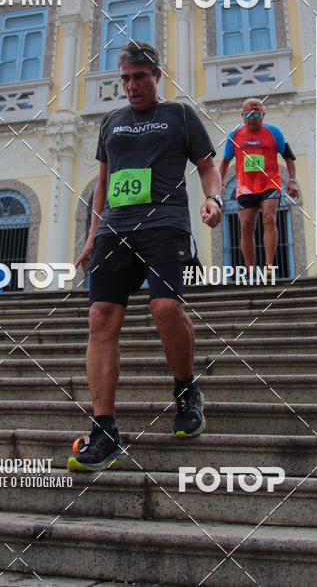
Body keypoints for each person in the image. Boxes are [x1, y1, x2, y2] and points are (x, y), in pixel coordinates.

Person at [70, 41, 222, 472]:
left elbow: (208, 166)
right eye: (125, 78)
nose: (131, 85)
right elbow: (103, 181)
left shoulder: (179, 115)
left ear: (157, 76)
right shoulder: (112, 122)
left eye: (139, 76)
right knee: (100, 317)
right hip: (114, 231)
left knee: (165, 307)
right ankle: (104, 430)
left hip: (165, 226)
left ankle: (185, 388)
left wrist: (213, 199)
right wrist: (91, 234)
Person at [219, 98, 299, 274]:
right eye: (247, 114)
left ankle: (269, 266)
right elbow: (224, 163)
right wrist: (221, 184)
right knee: (246, 225)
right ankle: (251, 269)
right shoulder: (235, 135)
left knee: (269, 218)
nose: (251, 117)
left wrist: (292, 180)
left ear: (263, 114)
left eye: (256, 113)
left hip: (270, 184)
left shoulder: (274, 133)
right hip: (245, 187)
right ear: (242, 115)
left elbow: (289, 158)